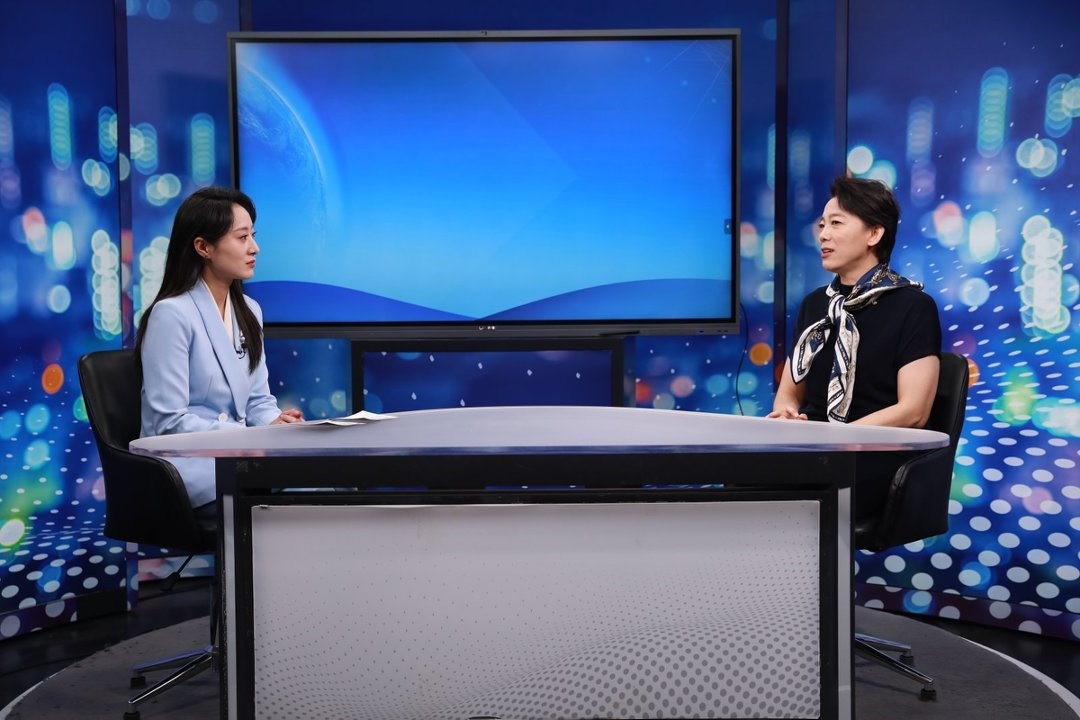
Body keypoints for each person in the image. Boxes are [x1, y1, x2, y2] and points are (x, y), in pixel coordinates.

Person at [768, 176, 942, 521]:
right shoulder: (815, 305)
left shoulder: (913, 307)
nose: (823, 234)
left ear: (874, 234)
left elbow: (914, 411)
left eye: (836, 223)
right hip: (815, 450)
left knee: (778, 489)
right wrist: (787, 414)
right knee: (740, 477)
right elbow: (789, 393)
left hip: (873, 455)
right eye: (822, 225)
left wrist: (839, 439)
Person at [136, 186, 303, 512]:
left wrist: (277, 423)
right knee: (287, 490)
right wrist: (247, 437)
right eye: (242, 238)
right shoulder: (171, 314)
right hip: (186, 464)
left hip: (237, 454)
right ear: (203, 247)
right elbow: (169, 422)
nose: (254, 247)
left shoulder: (249, 310)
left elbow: (257, 401)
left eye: (253, 236)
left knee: (314, 482)